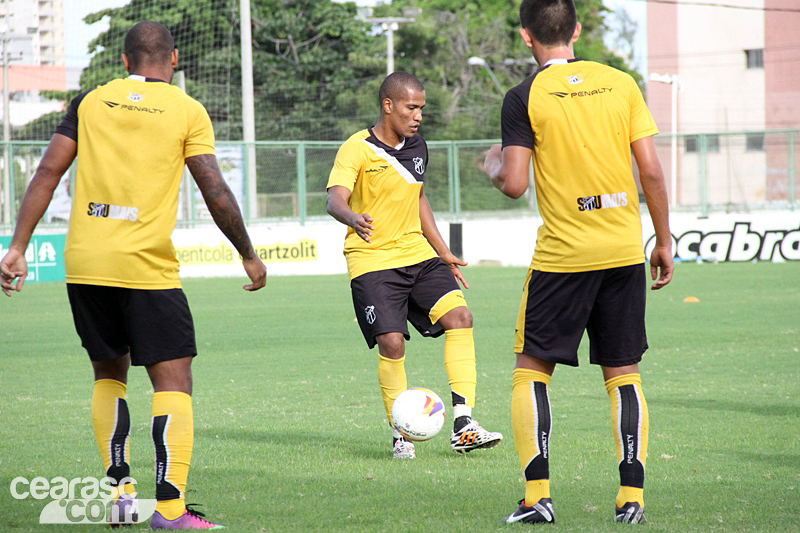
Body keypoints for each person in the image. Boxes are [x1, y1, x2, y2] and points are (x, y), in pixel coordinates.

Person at [0, 21, 266, 529]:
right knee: (174, 379)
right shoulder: (186, 109)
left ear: (124, 61)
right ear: (174, 59)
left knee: (109, 375)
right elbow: (213, 188)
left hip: (86, 263)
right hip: (145, 267)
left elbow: (48, 172)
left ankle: (121, 496)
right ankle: (169, 510)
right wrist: (247, 253)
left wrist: (17, 247)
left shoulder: (89, 101)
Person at [481, 0, 674, 525]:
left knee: (531, 371)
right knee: (624, 373)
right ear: (577, 30)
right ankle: (631, 498)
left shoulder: (524, 96)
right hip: (623, 252)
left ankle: (537, 497)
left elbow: (514, 183)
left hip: (563, 257)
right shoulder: (621, 83)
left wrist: (492, 164)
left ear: (526, 36)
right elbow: (651, 171)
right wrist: (663, 240)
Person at [326, 71, 503, 459]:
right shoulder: (356, 148)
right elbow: (334, 198)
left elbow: (418, 198)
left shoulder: (418, 146)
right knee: (391, 343)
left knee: (461, 317)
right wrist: (352, 216)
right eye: (411, 107)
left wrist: (443, 250)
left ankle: (464, 425)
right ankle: (401, 435)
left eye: (422, 108)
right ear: (388, 105)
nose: (418, 115)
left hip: (418, 255)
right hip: (372, 260)